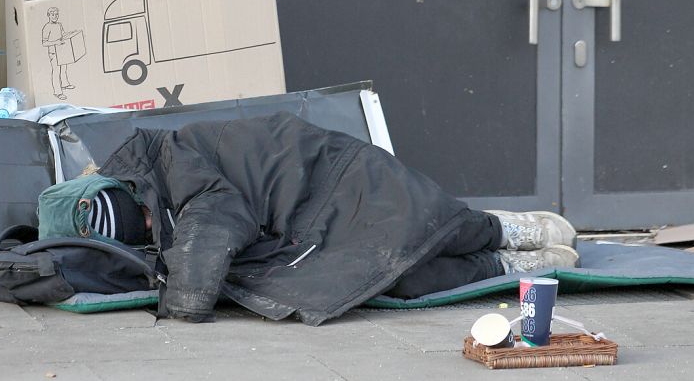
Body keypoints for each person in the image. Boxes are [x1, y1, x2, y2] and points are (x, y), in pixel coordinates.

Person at [47, 112, 578, 326]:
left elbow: (214, 220)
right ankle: (500, 265)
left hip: (330, 178)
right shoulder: (156, 202)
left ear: (123, 187)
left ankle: (503, 229)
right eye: (137, 225)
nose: (145, 219)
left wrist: (184, 301)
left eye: (137, 210)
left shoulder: (172, 159)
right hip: (302, 227)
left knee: (422, 221)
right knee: (399, 278)